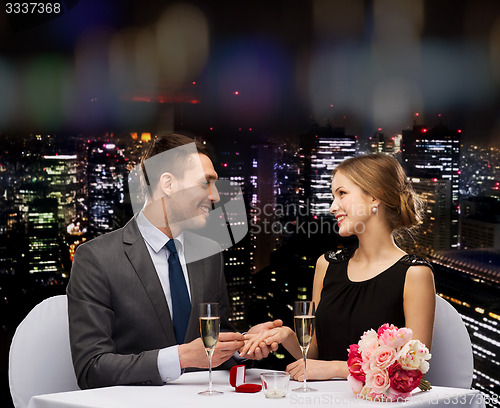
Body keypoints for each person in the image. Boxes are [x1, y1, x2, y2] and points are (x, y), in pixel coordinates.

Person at [67, 133, 281, 389]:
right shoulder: (97, 259)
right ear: (168, 184)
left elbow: (214, 342)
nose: (214, 196)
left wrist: (242, 346)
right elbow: (91, 369)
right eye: (205, 183)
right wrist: (181, 357)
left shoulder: (210, 253)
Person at [240, 154, 436, 381]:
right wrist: (286, 336)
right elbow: (313, 353)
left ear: (375, 196)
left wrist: (336, 369)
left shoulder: (415, 273)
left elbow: (413, 369)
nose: (333, 207)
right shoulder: (326, 264)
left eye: (342, 193)